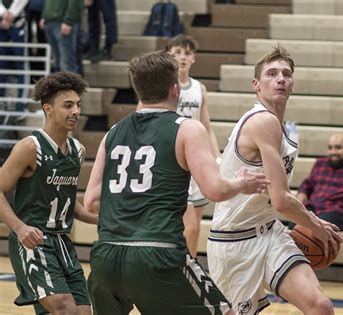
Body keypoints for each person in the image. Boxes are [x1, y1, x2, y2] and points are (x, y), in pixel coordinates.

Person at [83, 50, 268, 315]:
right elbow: (215, 189)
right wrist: (241, 183)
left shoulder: (113, 133)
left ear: (137, 91)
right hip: (159, 253)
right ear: (175, 90)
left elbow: (90, 203)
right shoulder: (187, 129)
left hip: (107, 256)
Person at [206, 46, 342, 315]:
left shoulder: (284, 128)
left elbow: (277, 197)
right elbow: (280, 200)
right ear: (256, 85)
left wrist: (308, 218)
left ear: (292, 85)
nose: (280, 78)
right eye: (272, 73)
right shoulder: (262, 121)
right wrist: (316, 226)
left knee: (320, 306)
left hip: (269, 231)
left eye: (286, 74)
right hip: (234, 242)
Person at [0, 71, 98, 314]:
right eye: (68, 105)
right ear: (48, 109)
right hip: (34, 242)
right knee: (66, 309)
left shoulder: (78, 150)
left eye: (78, 105)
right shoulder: (30, 147)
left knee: (84, 312)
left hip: (63, 242)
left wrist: (99, 219)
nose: (76, 111)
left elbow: (66, 200)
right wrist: (19, 227)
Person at [166, 34, 221, 257]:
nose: (182, 57)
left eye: (187, 53)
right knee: (189, 226)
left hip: (198, 160)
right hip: (175, 160)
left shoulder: (200, 88)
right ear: (168, 55)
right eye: (177, 52)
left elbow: (206, 126)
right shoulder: (162, 87)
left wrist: (217, 158)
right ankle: (186, 273)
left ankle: (191, 265)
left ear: (194, 58)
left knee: (195, 227)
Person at [41, 0, 83, 73]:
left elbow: (75, 2)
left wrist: (69, 21)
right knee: (57, 64)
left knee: (67, 64)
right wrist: (45, 15)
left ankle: (71, 84)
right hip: (50, 22)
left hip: (63, 23)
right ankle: (60, 84)